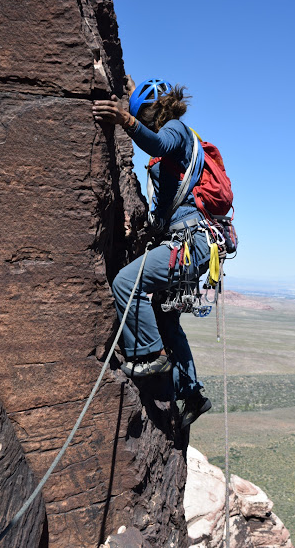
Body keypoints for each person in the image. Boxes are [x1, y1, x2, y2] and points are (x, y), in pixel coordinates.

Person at [92, 78, 212, 428]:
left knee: (127, 284)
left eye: (141, 113)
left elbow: (157, 141)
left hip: (187, 243)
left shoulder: (175, 129)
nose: (138, 119)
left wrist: (125, 121)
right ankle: (191, 393)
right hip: (187, 243)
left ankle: (148, 355)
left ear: (152, 110)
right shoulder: (180, 138)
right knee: (167, 317)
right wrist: (129, 90)